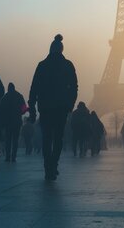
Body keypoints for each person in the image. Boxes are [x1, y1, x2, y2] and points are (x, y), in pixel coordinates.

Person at [28, 34, 78, 181]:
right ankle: (53, 164)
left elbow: (34, 88)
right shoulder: (68, 65)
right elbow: (74, 87)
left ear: (50, 49)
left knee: (47, 138)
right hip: (61, 108)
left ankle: (47, 166)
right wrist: (70, 104)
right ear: (61, 49)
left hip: (45, 108)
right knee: (58, 138)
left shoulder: (42, 65)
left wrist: (32, 107)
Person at [0, 83, 25, 162]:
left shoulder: (5, 98)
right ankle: (13, 157)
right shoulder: (19, 96)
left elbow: (0, 111)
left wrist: (2, 122)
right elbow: (24, 109)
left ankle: (7, 156)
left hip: (7, 122)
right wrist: (19, 113)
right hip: (17, 121)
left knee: (8, 140)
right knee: (15, 140)